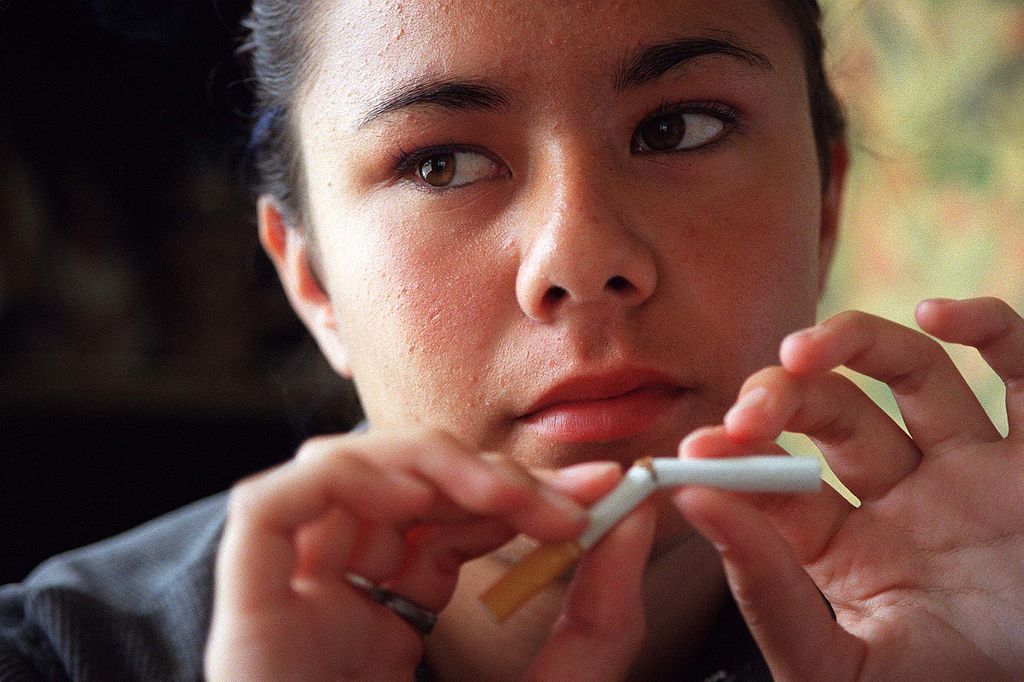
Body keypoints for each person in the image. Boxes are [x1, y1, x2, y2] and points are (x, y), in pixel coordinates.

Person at [2, 0, 1021, 679]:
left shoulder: (973, 624)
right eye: (440, 162)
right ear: (308, 274)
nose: (580, 257)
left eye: (679, 128)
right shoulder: (52, 656)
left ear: (826, 200)